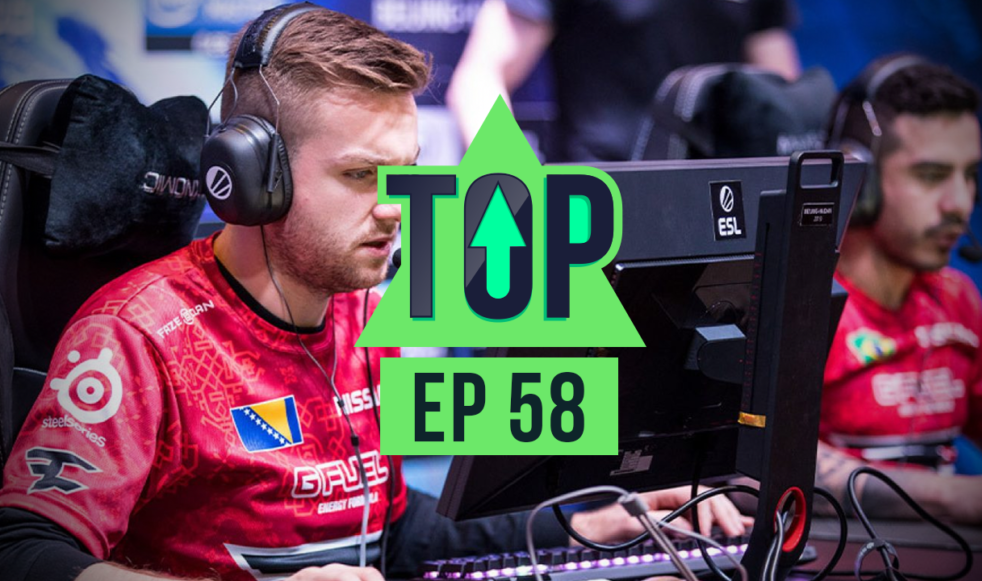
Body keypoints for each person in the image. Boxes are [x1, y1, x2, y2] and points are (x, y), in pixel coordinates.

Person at [0, 5, 747, 581]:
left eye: (406, 172)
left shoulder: (362, 314)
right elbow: (24, 552)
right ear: (256, 176)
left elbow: (393, 533)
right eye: (361, 175)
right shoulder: (138, 335)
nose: (397, 205)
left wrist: (595, 523)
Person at [817, 55, 982, 525]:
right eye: (932, 176)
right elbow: (751, 471)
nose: (961, 204)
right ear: (861, 179)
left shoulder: (957, 301)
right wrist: (953, 496)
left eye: (970, 175)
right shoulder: (801, 304)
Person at [446, 0, 801, 162]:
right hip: (600, 211)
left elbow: (781, 88)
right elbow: (479, 80)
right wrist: (519, 193)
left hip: (722, 210)